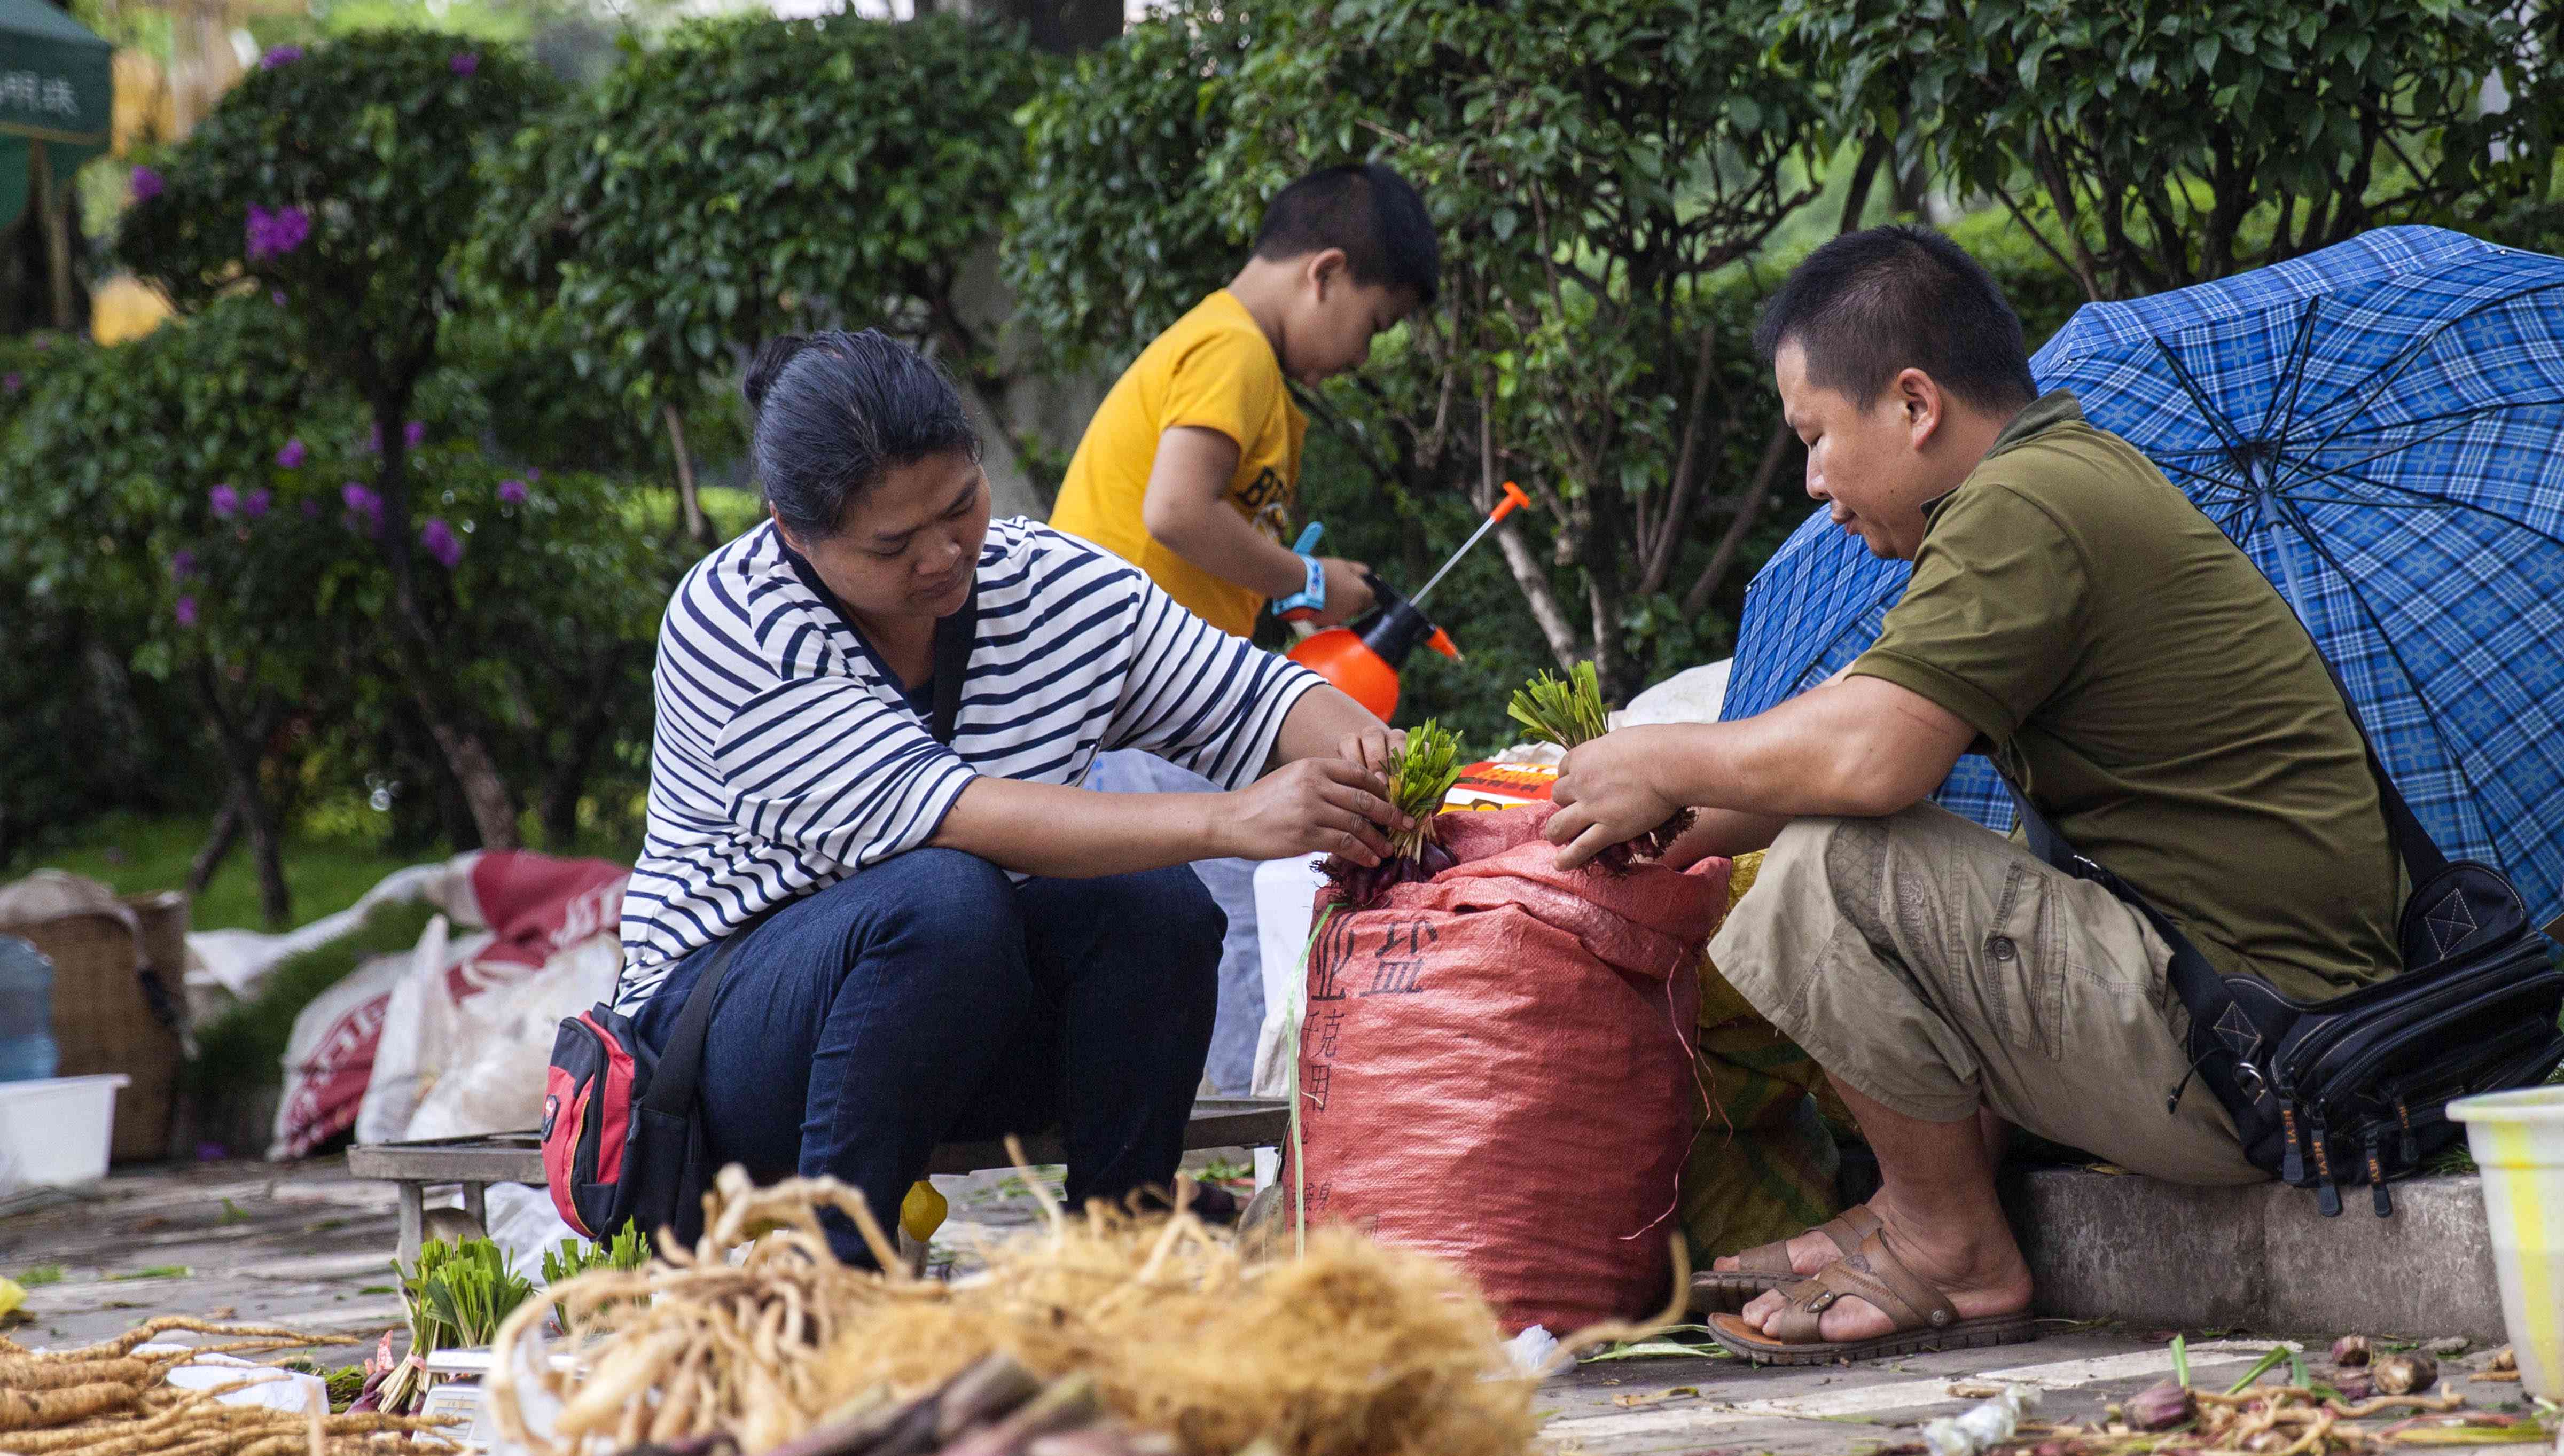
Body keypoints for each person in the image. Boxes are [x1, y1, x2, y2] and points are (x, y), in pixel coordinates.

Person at [1544, 227, 2401, 1362]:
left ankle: (1951, 1245)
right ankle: (1914, 1211)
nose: (1812, 482)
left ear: (1913, 404)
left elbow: (1868, 762)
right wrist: (1618, 830)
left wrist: (1661, 758)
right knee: (1834, 832)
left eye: (1814, 438)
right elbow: (1830, 732)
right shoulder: (2044, 488)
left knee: (1830, 871)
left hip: (2256, 1056)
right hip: (2255, 1026)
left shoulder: (2026, 508)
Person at [615, 329, 1402, 1261]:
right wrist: (1233, 819)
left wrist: (1398, 768)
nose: (946, 555)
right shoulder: (737, 620)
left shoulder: (1048, 580)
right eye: (894, 544)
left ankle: (1118, 1254)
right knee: (948, 894)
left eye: (961, 505)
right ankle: (838, 1284)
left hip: (948, 1014)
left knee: (1158, 909)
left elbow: (1257, 695)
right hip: (730, 1055)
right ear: (794, 532)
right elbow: (950, 812)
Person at [1048, 161, 1441, 637]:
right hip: (1107, 661)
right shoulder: (1234, 348)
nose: (1361, 356)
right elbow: (1177, 510)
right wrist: (1309, 580)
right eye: (1375, 326)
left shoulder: (1240, 353)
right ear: (1326, 274)